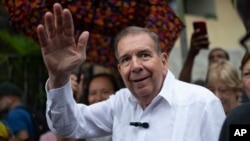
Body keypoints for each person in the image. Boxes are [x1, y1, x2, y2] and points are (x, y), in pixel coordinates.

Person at [37, 3, 225, 141]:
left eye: (144, 55)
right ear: (120, 69)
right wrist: (59, 77)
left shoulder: (202, 103)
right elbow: (67, 127)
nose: (135, 66)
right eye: (126, 59)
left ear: (164, 61)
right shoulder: (119, 103)